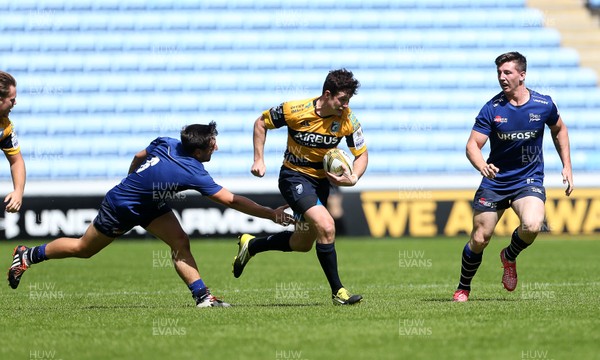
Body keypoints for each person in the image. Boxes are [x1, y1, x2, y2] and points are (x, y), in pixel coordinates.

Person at [7, 122, 293, 307]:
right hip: (123, 206)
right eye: (211, 144)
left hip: (149, 203)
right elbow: (231, 200)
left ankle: (203, 297)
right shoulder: (192, 170)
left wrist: (134, 179)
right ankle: (28, 255)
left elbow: (138, 155)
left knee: (180, 242)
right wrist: (271, 214)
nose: (215, 146)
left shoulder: (166, 141)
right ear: (197, 150)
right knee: (84, 249)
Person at [232, 68, 368, 305]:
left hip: (321, 183)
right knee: (327, 225)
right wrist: (258, 159)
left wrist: (354, 177)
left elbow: (362, 154)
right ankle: (338, 292)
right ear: (327, 94)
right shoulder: (294, 110)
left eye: (348, 101)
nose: (346, 106)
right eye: (342, 100)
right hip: (294, 178)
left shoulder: (348, 120)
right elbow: (261, 123)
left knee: (302, 243)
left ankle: (251, 245)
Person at [452, 52, 573, 302]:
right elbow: (472, 145)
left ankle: (509, 255)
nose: (501, 77)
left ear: (522, 75)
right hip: (495, 181)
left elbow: (559, 129)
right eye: (499, 73)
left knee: (532, 225)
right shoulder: (492, 108)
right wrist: (482, 165)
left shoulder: (543, 104)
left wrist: (567, 165)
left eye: (507, 72)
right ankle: (463, 287)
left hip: (528, 180)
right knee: (480, 238)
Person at [0, 71, 25, 213]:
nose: (15, 103)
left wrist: (18, 192)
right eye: (12, 99)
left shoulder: (5, 128)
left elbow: (17, 161)